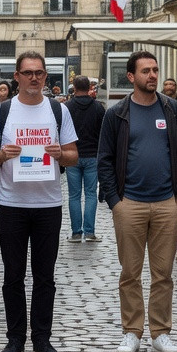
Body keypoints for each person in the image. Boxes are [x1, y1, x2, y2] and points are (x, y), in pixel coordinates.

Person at [0, 53, 78, 352]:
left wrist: (59, 153)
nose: (34, 78)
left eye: (39, 73)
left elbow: (74, 155)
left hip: (48, 203)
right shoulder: (2, 110)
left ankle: (42, 339)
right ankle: (15, 339)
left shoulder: (58, 110)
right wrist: (4, 155)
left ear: (46, 76)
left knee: (45, 276)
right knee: (12, 275)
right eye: (28, 73)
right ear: (17, 76)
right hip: (12, 203)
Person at [98, 51, 177, 352]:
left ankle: (161, 333)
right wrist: (115, 201)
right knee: (130, 273)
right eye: (145, 71)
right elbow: (105, 159)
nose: (152, 75)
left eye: (155, 70)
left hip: (168, 203)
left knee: (163, 273)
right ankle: (132, 331)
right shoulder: (117, 114)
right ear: (131, 77)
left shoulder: (173, 110)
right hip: (130, 204)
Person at [64, 75, 105, 243]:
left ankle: (75, 232)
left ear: (74, 87)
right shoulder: (98, 108)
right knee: (90, 194)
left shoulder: (67, 107)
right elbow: (103, 133)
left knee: (74, 195)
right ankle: (89, 232)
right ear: (89, 87)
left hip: (72, 155)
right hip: (92, 155)